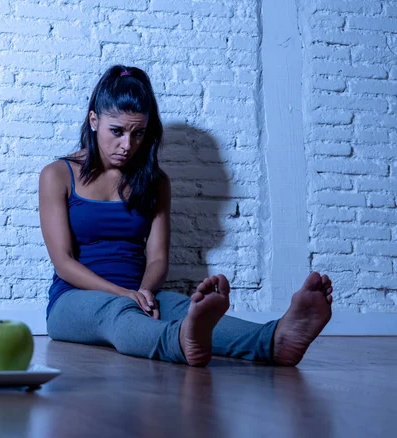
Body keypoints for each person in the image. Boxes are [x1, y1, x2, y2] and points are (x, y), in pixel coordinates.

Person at [38, 65, 333, 367]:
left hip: (141, 294)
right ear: (94, 121)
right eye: (117, 131)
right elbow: (63, 262)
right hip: (74, 301)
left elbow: (157, 259)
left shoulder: (155, 181)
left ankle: (274, 341)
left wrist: (144, 293)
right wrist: (123, 294)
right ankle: (179, 341)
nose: (128, 145)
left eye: (138, 133)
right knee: (117, 314)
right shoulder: (58, 174)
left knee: (184, 307)